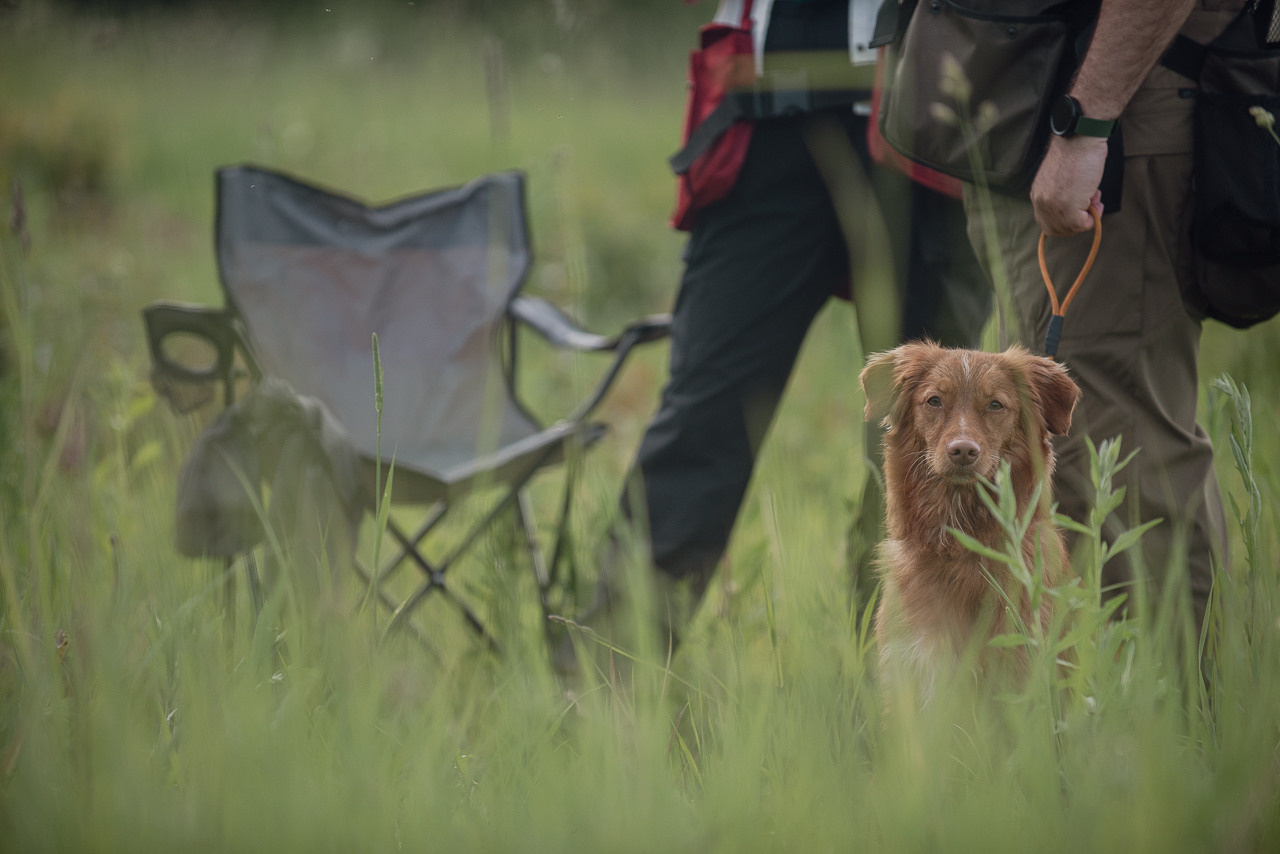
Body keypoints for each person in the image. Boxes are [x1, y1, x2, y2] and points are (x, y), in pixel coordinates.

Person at [558, 0, 991, 670]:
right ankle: (604, 679)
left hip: (932, 112)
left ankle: (897, 690)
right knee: (703, 417)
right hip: (769, 115)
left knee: (928, 444)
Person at [965, 0, 1246, 630]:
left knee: (1115, 450)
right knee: (1053, 454)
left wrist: (1085, 123)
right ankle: (1091, 712)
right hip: (1034, 116)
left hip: (1107, 121)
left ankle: (1176, 720)